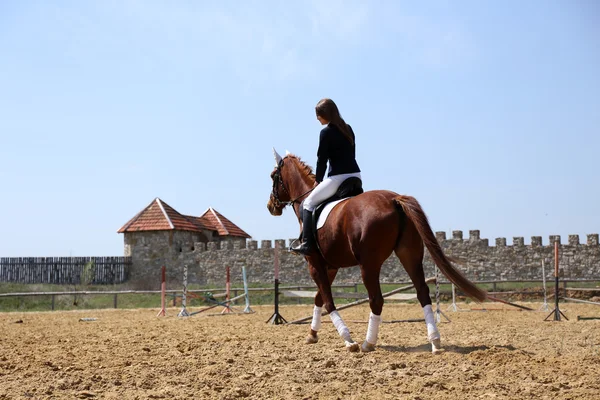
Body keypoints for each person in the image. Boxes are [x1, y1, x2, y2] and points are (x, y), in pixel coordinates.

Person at [291, 98, 362, 255]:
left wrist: (318, 181)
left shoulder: (326, 132)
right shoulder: (348, 128)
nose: (317, 119)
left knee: (308, 203)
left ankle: (307, 244)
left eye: (318, 115)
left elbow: (321, 159)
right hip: (356, 175)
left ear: (325, 114)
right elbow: (353, 153)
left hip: (337, 177)